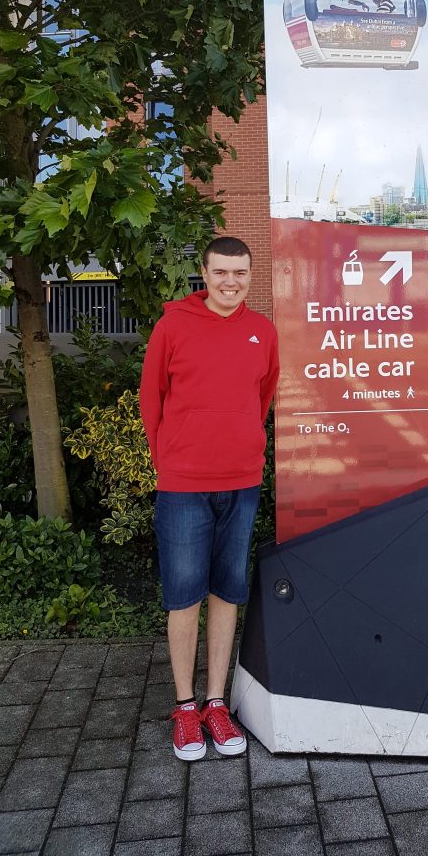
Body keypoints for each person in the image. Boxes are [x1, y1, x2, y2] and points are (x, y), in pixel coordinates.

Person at [140, 236, 279, 761]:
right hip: (183, 485)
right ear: (203, 272)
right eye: (220, 272)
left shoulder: (262, 332)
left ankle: (215, 703)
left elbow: (262, 397)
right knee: (184, 597)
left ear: (250, 275)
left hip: (241, 481)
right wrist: (170, 459)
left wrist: (242, 443)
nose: (230, 282)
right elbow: (150, 398)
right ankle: (184, 707)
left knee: (227, 591)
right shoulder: (172, 326)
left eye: (239, 273)